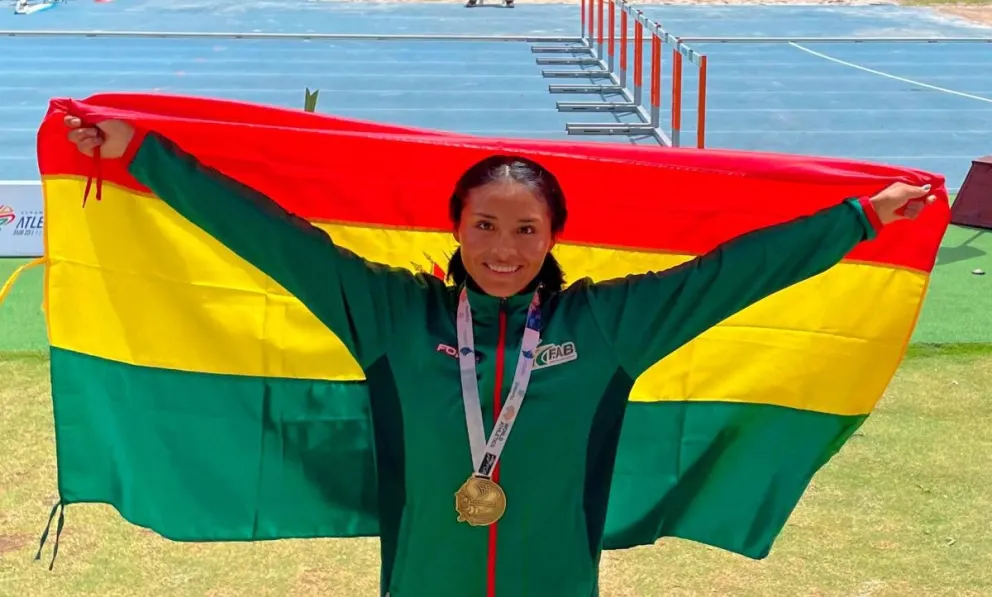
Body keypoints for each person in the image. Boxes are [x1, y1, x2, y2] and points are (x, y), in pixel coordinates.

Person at [64, 115, 934, 597]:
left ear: (555, 235)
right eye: (485, 224)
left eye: (526, 228)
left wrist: (860, 219)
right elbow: (274, 240)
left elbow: (734, 275)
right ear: (456, 228)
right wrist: (141, 154)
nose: (504, 247)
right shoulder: (395, 314)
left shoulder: (608, 325)